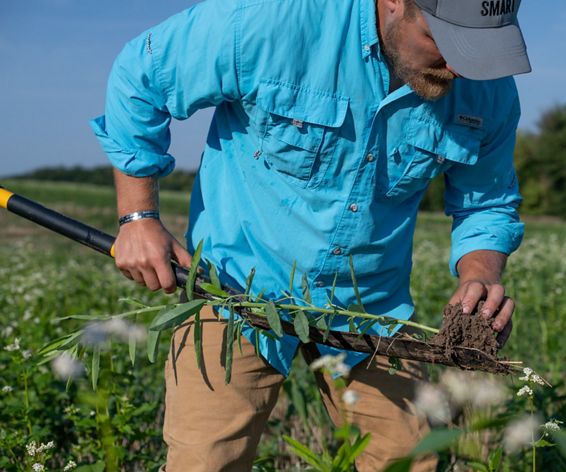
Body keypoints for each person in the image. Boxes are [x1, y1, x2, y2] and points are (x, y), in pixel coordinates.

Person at [91, 0, 531, 470]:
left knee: (413, 460)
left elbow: (486, 201)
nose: (460, 66)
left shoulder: (486, 88)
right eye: (446, 40)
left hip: (370, 310)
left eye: (480, 48)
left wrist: (479, 274)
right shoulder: (270, 20)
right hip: (234, 289)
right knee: (206, 460)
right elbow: (142, 74)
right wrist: (138, 217)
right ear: (395, 4)